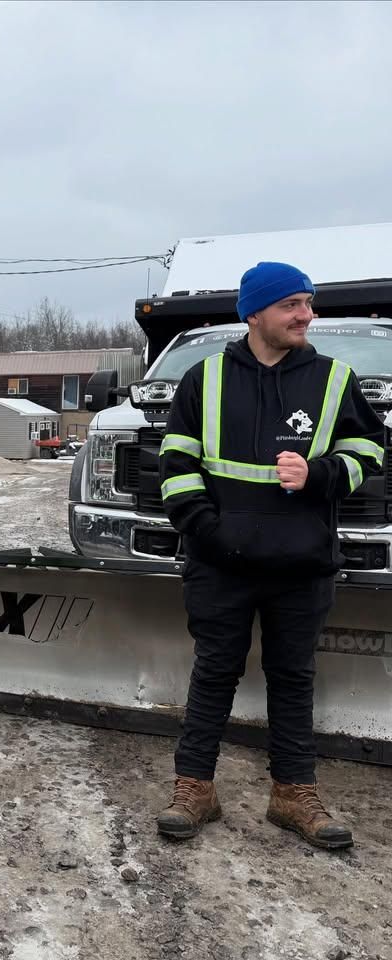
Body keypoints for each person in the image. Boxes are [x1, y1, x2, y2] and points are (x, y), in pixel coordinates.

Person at [157, 261, 384, 849]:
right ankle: (195, 787)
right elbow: (176, 470)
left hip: (301, 563)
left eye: (308, 303)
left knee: (292, 677)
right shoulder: (202, 380)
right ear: (254, 313)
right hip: (220, 563)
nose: (306, 315)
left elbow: (369, 454)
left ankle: (292, 795)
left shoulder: (335, 378)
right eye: (291, 304)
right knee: (214, 673)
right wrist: (212, 535)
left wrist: (321, 473)